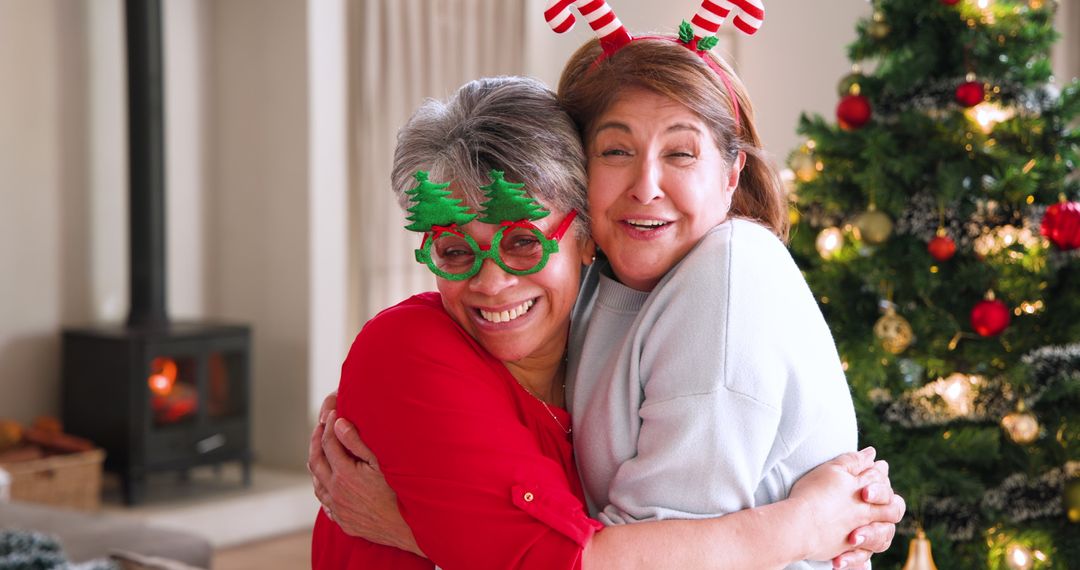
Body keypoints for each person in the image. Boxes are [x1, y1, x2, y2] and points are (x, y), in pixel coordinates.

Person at [310, 75, 903, 570]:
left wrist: (416, 528)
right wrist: (802, 527)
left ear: (585, 240)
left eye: (522, 245)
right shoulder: (411, 351)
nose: (490, 285)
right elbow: (560, 562)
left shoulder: (609, 338)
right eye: (455, 252)